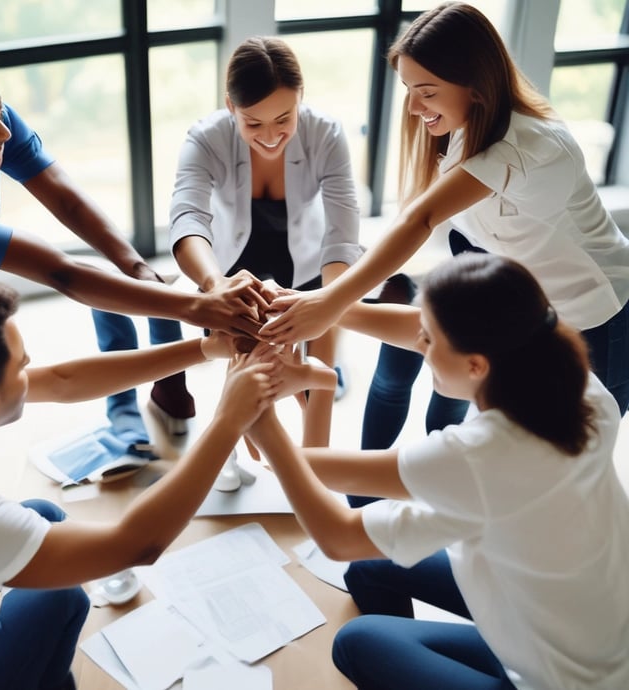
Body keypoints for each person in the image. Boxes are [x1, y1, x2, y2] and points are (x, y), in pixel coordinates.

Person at [0, 276, 335, 690]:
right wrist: (228, 421)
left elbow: (64, 380)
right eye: (22, 366)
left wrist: (205, 349)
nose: (33, 372)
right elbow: (138, 544)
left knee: (41, 517)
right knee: (64, 595)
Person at [0, 39, 268, 461]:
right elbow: (61, 273)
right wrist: (195, 307)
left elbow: (66, 199)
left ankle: (130, 408)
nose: (2, 131)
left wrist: (138, 270)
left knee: (110, 286)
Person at [248, 251, 629, 690]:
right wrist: (318, 309)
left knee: (356, 641)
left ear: (476, 364)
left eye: (429, 341)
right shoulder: (573, 381)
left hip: (567, 680)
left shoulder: (482, 454)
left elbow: (337, 535)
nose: (419, 346)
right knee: (369, 568)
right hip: (593, 626)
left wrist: (258, 419)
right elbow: (421, 331)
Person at [260, 2, 629, 427]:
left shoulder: (527, 147)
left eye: (427, 92)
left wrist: (329, 300)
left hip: (595, 317)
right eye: (409, 90)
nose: (414, 108)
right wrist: (314, 303)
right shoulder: (461, 134)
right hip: (528, 312)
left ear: (475, 83)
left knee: (572, 452)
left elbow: (420, 219)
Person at [169, 35, 363, 479]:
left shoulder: (327, 133)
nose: (271, 137)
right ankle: (239, 458)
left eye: (284, 118)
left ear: (301, 100)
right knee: (246, 352)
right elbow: (187, 220)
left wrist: (328, 303)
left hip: (309, 255)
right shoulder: (205, 137)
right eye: (253, 124)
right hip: (235, 256)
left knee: (321, 348)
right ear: (230, 106)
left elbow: (342, 232)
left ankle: (316, 465)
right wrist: (217, 287)